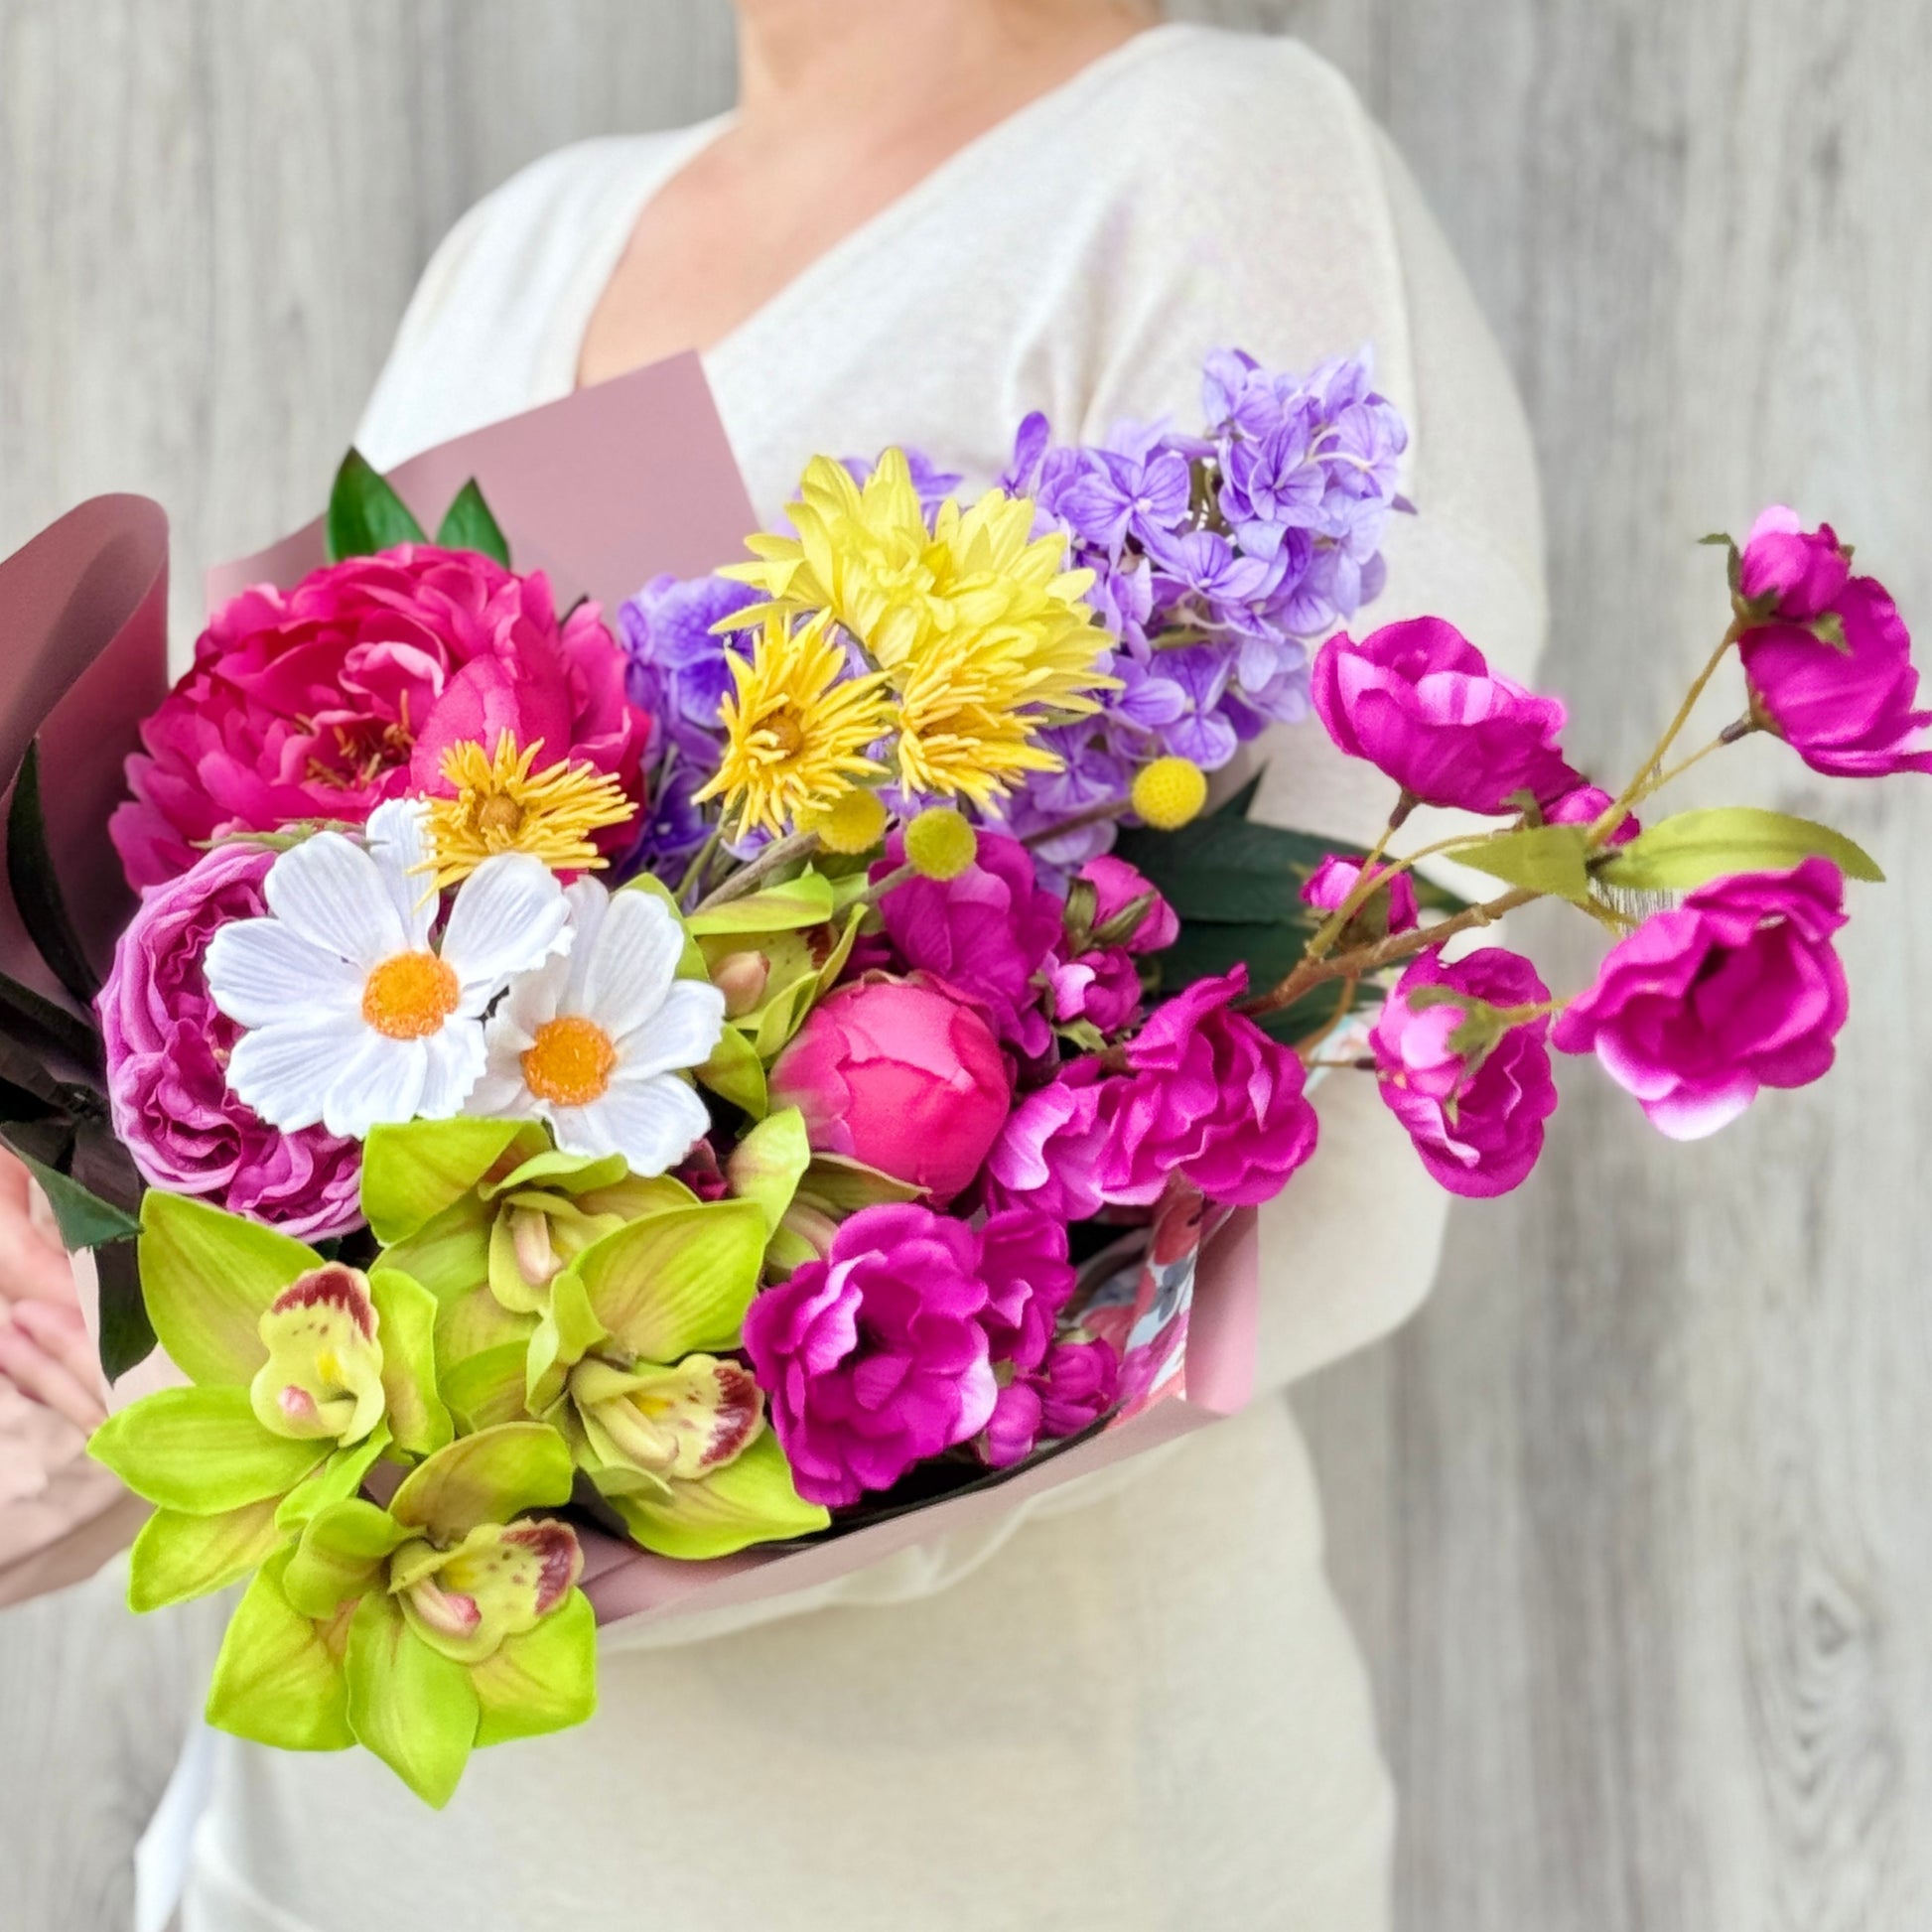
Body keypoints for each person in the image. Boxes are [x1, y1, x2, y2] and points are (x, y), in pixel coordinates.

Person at [4, 3, 1545, 1926]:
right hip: (345, 1843)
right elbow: (292, 970)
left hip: (962, 1847)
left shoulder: (1202, 156)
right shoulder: (527, 242)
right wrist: (113, 1361)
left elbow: (1364, 1132)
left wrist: (572, 1443)